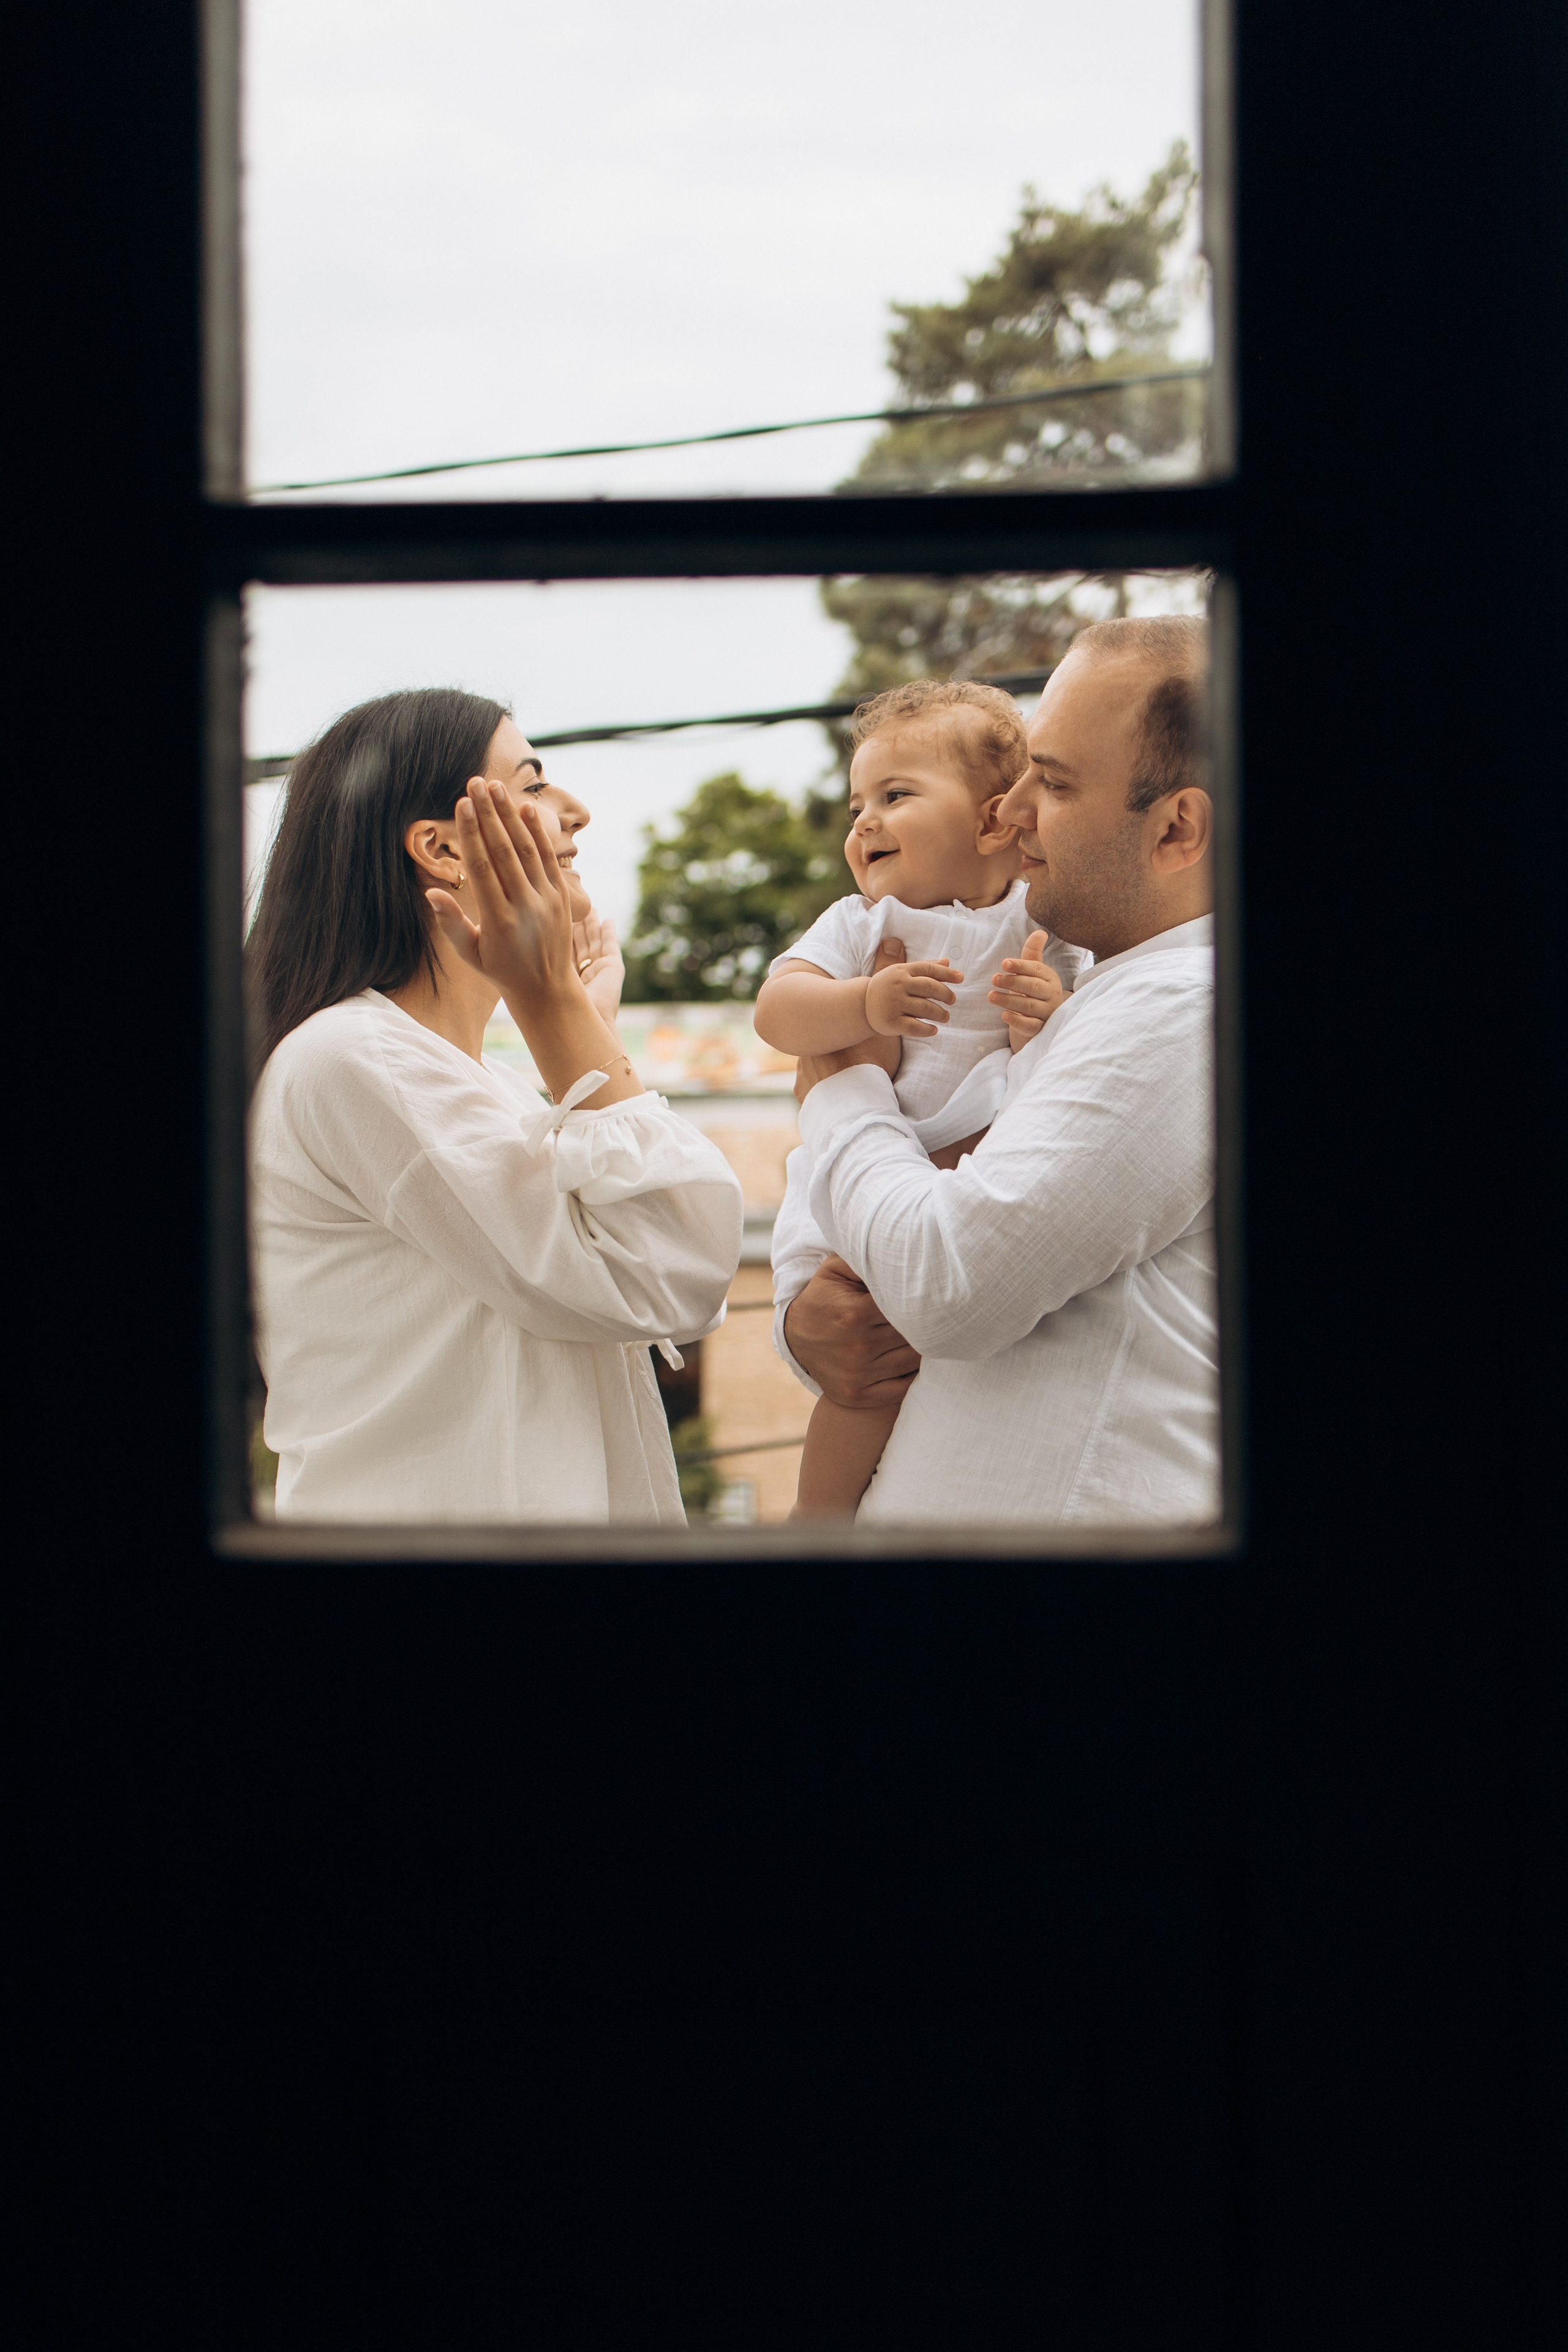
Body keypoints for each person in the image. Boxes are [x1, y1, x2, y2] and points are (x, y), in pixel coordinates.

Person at [247, 688, 743, 1524]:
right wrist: (559, 1013)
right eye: (536, 783)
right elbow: (679, 1266)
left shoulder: (470, 1080)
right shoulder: (355, 1061)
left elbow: (656, 1257)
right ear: (441, 848)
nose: (576, 813)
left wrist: (580, 1029)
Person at [777, 616, 1219, 1529]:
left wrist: (843, 1083)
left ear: (1178, 828)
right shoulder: (1103, 989)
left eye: (1052, 782)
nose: (1010, 811)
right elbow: (913, 1278)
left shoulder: (1184, 1009)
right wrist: (805, 1323)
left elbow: (947, 1283)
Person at [754, 679, 1087, 1515]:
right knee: (870, 1383)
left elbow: (1075, 1046)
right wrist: (860, 1003)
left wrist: (1045, 1015)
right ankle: (816, 1522)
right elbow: (778, 1011)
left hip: (966, 1199)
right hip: (851, 1204)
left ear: (991, 822)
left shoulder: (1042, 928)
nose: (862, 822)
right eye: (858, 802)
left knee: (939, 1371)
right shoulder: (862, 924)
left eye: (895, 795)